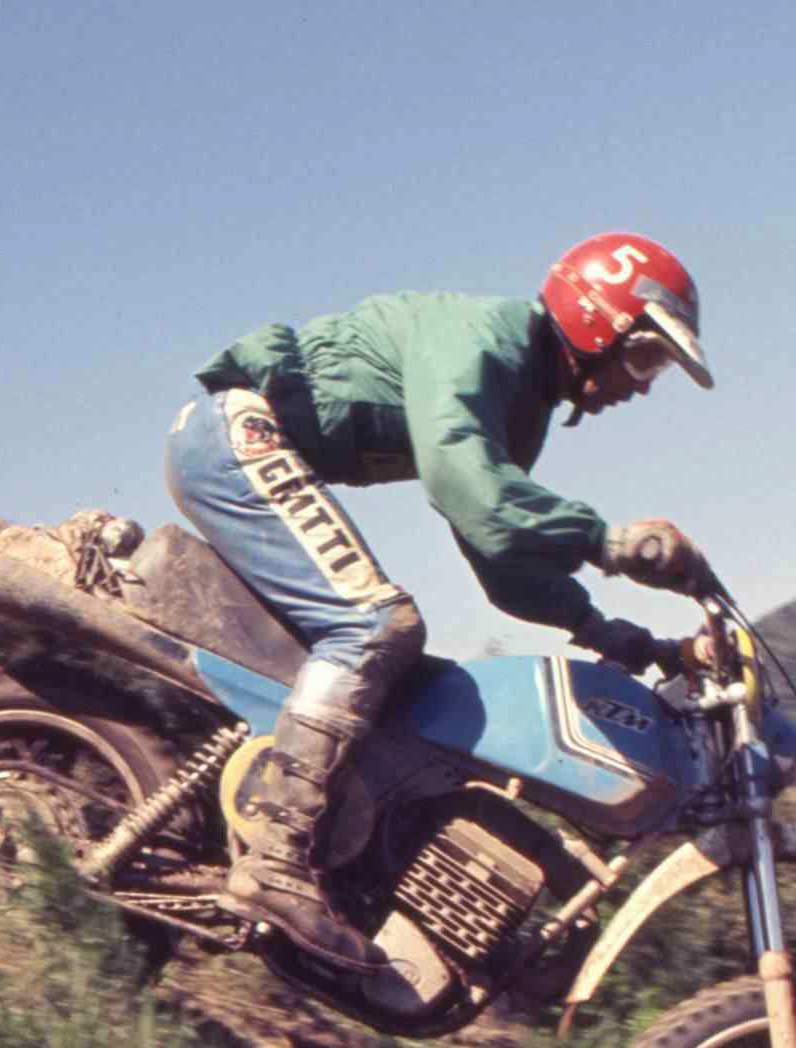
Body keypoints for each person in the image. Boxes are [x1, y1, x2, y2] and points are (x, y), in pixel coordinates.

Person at [166, 232, 716, 973]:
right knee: (375, 624)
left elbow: (500, 558)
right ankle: (276, 857)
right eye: (646, 358)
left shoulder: (523, 407)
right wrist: (609, 542)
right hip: (237, 436)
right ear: (597, 323)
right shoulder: (483, 343)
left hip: (251, 447)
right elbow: (471, 491)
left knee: (405, 673)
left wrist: (617, 637)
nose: (643, 385)